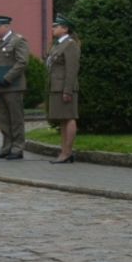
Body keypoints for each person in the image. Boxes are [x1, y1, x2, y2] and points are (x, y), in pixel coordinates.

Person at [0, 15, 29, 160]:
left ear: (6, 26)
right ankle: (6, 147)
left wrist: (7, 78)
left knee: (16, 119)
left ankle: (17, 148)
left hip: (13, 86)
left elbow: (22, 62)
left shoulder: (18, 41)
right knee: (3, 119)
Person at [46, 14, 81, 164]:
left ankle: (67, 152)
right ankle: (63, 151)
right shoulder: (58, 44)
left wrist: (67, 90)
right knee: (62, 120)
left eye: (56, 26)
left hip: (64, 88)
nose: (53, 28)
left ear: (65, 29)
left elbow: (72, 69)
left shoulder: (70, 44)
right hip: (56, 87)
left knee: (69, 117)